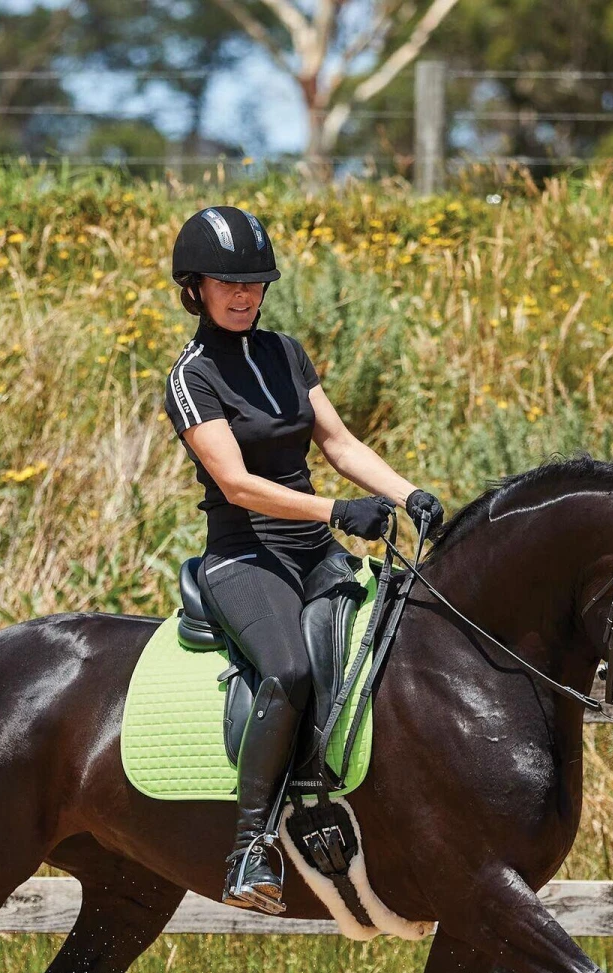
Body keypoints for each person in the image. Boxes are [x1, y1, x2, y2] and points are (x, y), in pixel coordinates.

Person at [163, 205, 444, 914]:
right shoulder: (191, 377)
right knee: (288, 670)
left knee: (396, 639)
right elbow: (236, 484)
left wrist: (408, 494)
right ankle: (249, 850)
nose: (243, 295)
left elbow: (339, 444)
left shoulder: (285, 352)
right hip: (244, 556)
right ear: (194, 288)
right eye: (227, 283)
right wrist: (336, 512)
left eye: (254, 283)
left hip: (312, 550)